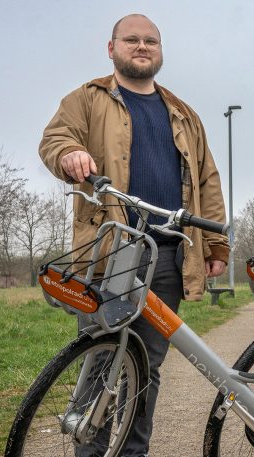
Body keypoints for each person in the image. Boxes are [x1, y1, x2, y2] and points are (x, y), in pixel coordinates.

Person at [39, 13, 228, 456]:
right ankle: (91, 451)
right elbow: (55, 139)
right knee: (101, 357)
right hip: (111, 252)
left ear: (160, 51)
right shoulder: (87, 99)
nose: (142, 47)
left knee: (148, 365)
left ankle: (132, 452)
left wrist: (217, 244)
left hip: (169, 255)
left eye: (150, 41)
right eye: (131, 40)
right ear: (112, 48)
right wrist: (70, 153)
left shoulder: (183, 113)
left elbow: (207, 179)